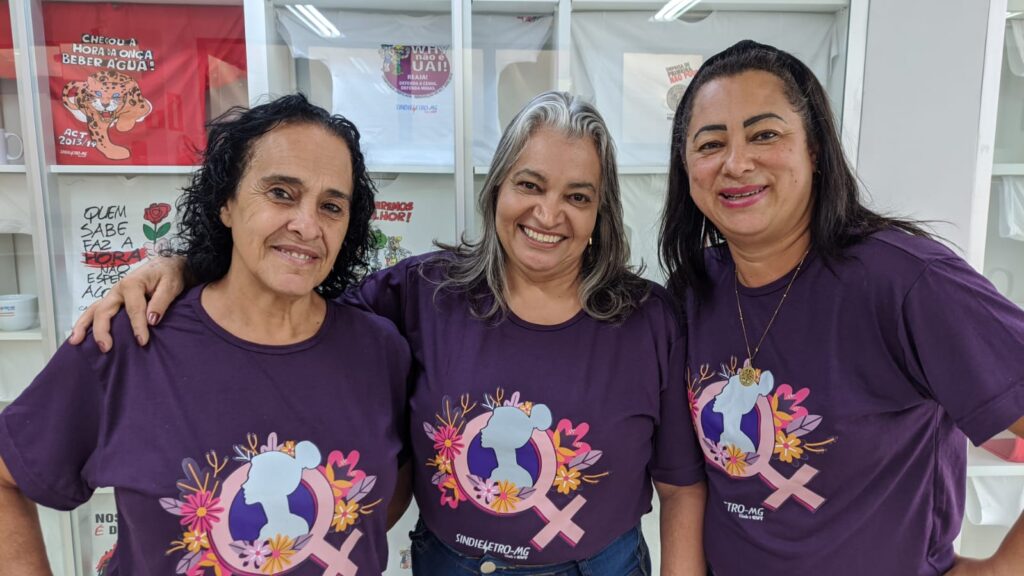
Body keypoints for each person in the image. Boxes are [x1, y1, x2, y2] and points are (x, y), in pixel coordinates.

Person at [69, 90, 708, 575]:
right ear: (496, 193)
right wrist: (187, 263)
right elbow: (284, 295)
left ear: (601, 215)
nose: (548, 214)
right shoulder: (423, 293)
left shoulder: (647, 319)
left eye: (578, 196)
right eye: (529, 185)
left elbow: (681, 487)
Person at [0, 94, 411, 574]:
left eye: (332, 206)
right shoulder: (126, 342)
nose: (307, 225)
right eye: (280, 192)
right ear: (226, 203)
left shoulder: (379, 350)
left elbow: (390, 488)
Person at [660, 39, 1024, 575]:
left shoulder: (904, 281)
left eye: (765, 134)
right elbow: (689, 486)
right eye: (710, 144)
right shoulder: (693, 291)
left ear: (815, 151)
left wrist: (1000, 569)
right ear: (687, 169)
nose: (736, 163)